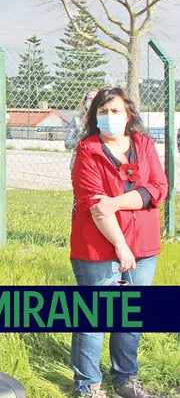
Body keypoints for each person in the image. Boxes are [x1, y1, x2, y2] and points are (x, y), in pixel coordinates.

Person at [70, 87, 167, 398]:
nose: (109, 117)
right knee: (95, 319)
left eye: (115, 111)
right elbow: (96, 206)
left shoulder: (145, 144)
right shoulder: (88, 151)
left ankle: (125, 379)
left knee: (130, 317)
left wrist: (117, 202)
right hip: (98, 249)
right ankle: (88, 386)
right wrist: (121, 246)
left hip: (145, 245)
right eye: (102, 111)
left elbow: (159, 187)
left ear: (129, 115)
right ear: (94, 115)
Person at [65, 88, 100, 172]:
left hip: (98, 162)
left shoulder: (103, 119)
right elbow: (67, 143)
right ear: (85, 101)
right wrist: (80, 141)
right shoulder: (77, 118)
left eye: (95, 99)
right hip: (79, 161)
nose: (91, 101)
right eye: (89, 99)